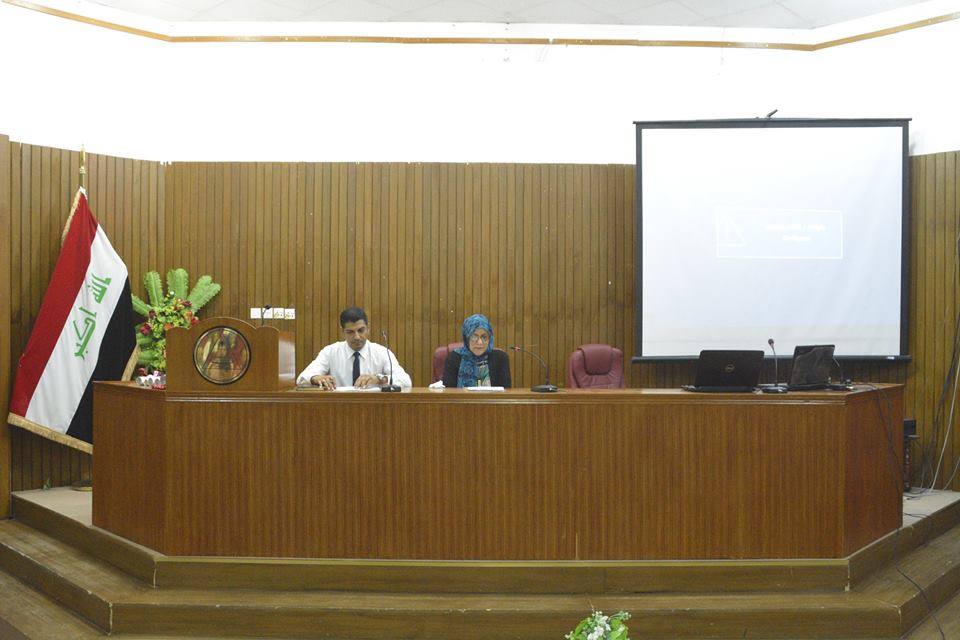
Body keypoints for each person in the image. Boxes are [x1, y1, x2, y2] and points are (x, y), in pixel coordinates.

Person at [297, 306, 412, 389]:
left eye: (361, 330)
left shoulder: (382, 352)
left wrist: (380, 379)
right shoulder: (330, 352)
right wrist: (315, 378)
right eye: (350, 332)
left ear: (368, 329)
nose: (357, 337)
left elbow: (406, 381)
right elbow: (302, 379)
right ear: (343, 331)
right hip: (338, 408)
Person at [442, 314, 511, 388]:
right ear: (467, 338)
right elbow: (449, 391)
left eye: (484, 337)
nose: (480, 342)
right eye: (474, 336)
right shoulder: (454, 358)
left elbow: (506, 392)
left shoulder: (500, 358)